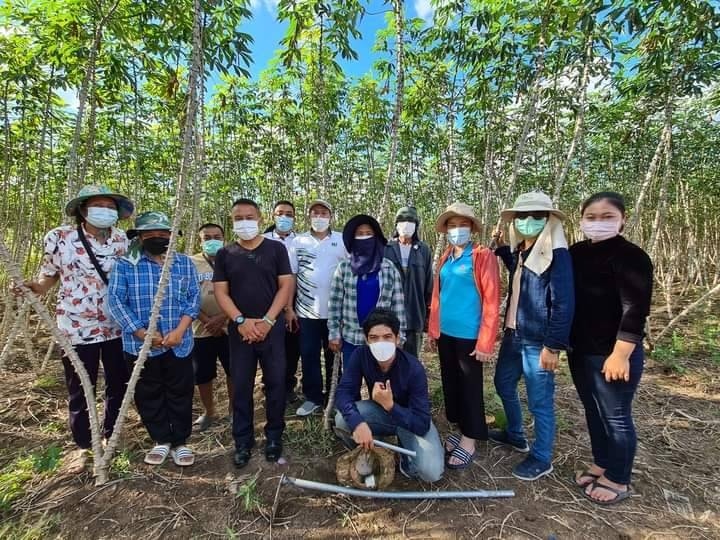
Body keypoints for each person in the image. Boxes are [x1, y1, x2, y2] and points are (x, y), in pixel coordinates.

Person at [20, 185, 133, 472]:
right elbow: (47, 278)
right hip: (75, 327)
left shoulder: (121, 240)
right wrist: (34, 287)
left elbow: (129, 279)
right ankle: (84, 444)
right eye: (98, 205)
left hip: (115, 326)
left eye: (110, 206)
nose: (105, 211)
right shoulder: (60, 238)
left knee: (117, 383)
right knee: (81, 386)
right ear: (83, 209)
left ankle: (112, 434)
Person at [569, 192, 653, 505]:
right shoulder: (576, 252)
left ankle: (618, 477)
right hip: (580, 349)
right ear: (581, 220)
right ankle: (601, 463)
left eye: (608, 217)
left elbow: (635, 309)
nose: (598, 223)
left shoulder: (631, 256)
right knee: (593, 411)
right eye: (591, 217)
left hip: (614, 352)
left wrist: (621, 354)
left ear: (622, 220)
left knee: (616, 415)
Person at [490, 192, 574, 481]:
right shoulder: (521, 252)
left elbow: (564, 302)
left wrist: (553, 345)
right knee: (502, 383)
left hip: (538, 339)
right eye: (522, 216)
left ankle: (541, 457)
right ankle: (515, 433)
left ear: (548, 220)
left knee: (540, 401)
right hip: (513, 334)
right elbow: (514, 270)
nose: (528, 221)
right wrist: (498, 245)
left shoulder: (556, 254)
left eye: (537, 216)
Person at [108, 211, 201, 467]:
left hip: (179, 343)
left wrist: (180, 331)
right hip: (141, 345)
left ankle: (180, 441)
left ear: (172, 237)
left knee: (180, 391)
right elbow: (115, 301)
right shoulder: (126, 264)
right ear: (139, 237)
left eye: (163, 234)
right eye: (150, 234)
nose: (158, 238)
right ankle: (161, 439)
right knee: (148, 392)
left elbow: (193, 298)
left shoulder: (183, 263)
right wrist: (142, 333)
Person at [213, 198, 293, 468]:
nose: (244, 222)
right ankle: (243, 441)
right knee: (242, 386)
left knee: (276, 383)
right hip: (240, 332)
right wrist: (240, 321)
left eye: (249, 216)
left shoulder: (276, 249)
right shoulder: (226, 254)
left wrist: (268, 321)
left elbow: (285, 286)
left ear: (259, 219)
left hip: (272, 329)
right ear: (232, 221)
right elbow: (221, 292)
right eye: (238, 218)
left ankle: (273, 437)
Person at [428, 202, 500, 470]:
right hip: (446, 333)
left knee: (470, 388)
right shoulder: (447, 257)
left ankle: (470, 441)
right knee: (451, 385)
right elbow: (439, 296)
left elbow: (492, 301)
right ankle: (461, 430)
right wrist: (433, 330)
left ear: (472, 228)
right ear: (446, 230)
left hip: (470, 336)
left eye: (463, 225)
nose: (457, 230)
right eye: (452, 225)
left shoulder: (482, 256)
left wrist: (485, 342)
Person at [334, 308, 444, 482]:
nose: (381, 343)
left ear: (397, 338)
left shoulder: (413, 368)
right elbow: (343, 393)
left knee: (430, 472)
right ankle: (371, 448)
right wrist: (358, 424)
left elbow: (422, 424)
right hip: (380, 414)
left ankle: (407, 463)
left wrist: (390, 406)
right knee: (343, 419)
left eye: (387, 337)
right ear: (366, 339)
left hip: (411, 419)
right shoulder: (360, 355)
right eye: (374, 338)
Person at [290, 200, 348, 417]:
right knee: (308, 355)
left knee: (335, 355)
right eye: (315, 213)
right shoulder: (299, 241)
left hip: (336, 312)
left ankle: (337, 397)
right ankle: (313, 397)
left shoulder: (342, 240)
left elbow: (350, 271)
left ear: (330, 216)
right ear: (309, 216)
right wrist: (288, 307)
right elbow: (292, 275)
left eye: (324, 213)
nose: (319, 217)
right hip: (306, 311)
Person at [328, 214, 406, 370]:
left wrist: (400, 338)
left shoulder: (389, 268)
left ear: (376, 237)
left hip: (382, 340)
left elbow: (398, 306)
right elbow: (335, 304)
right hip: (351, 338)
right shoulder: (344, 268)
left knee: (379, 384)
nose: (364, 238)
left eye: (368, 234)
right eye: (359, 234)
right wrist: (334, 333)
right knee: (350, 383)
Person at [190, 223, 232, 431]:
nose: (212, 240)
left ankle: (234, 410)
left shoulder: (233, 259)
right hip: (200, 329)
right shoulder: (191, 263)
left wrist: (224, 317)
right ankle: (209, 412)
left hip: (230, 326)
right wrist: (207, 320)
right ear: (200, 241)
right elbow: (186, 296)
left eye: (217, 236)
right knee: (203, 374)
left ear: (224, 238)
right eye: (207, 237)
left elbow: (242, 292)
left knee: (233, 370)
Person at [263, 201, 301, 404]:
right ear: (272, 216)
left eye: (289, 214)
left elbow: (293, 275)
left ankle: (288, 386)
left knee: (291, 346)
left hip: (295, 301)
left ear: (295, 217)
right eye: (280, 213)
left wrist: (289, 307)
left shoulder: (301, 241)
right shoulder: (262, 240)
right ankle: (269, 386)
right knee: (270, 346)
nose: (284, 218)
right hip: (267, 301)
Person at [384, 206, 433, 357]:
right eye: (402, 221)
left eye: (411, 221)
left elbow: (429, 285)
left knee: (410, 361)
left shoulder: (423, 250)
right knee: (388, 359)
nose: (406, 225)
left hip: (415, 315)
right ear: (396, 224)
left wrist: (427, 318)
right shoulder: (386, 248)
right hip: (389, 316)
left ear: (416, 225)